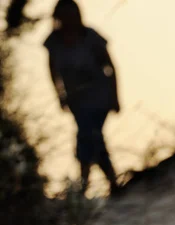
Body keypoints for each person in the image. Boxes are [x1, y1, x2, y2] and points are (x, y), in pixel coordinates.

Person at [44, 0, 120, 194]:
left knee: (88, 135)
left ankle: (86, 184)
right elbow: (53, 71)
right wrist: (60, 95)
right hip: (76, 100)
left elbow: (110, 67)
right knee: (91, 137)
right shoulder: (54, 42)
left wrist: (115, 97)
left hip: (98, 97)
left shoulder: (91, 37)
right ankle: (110, 183)